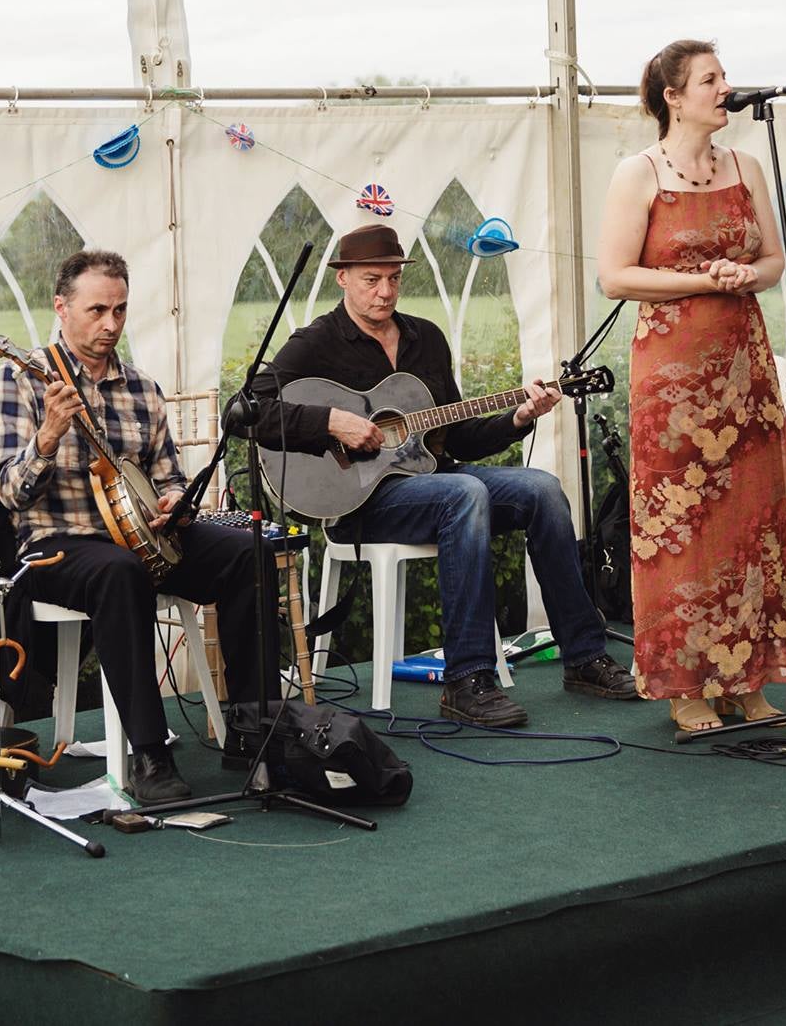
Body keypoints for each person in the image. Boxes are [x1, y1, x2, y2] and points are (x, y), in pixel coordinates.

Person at [243, 223, 638, 728]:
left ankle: (584, 656)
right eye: (371, 280)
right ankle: (467, 680)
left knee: (542, 488)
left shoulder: (424, 338)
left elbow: (457, 437)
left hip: (437, 481)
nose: (385, 291)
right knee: (465, 493)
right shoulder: (316, 343)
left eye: (392, 279)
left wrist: (518, 418)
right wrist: (330, 422)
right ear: (342, 279)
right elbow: (249, 410)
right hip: (361, 503)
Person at [0, 249, 261, 804]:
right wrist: (47, 436)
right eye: (96, 311)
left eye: (119, 310)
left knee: (246, 552)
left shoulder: (142, 389)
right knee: (120, 572)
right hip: (59, 548)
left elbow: (171, 477)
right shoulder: (22, 380)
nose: (110, 324)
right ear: (61, 308)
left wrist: (171, 503)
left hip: (142, 537)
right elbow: (8, 492)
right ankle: (149, 756)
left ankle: (254, 730)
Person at [595, 39, 786, 733]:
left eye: (724, 77)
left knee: (753, 526)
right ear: (673, 96)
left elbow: (774, 257)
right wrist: (702, 279)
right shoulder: (639, 173)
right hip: (674, 377)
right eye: (711, 79)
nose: (726, 88)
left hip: (744, 364)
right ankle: (686, 686)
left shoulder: (746, 164)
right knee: (683, 530)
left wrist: (749, 274)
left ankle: (749, 683)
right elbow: (616, 276)